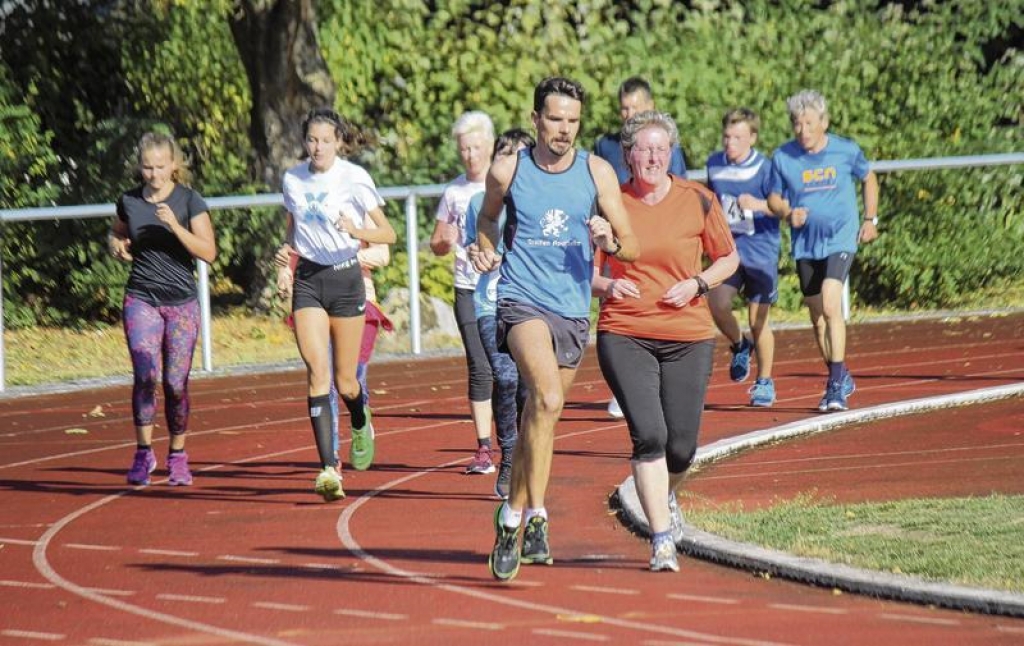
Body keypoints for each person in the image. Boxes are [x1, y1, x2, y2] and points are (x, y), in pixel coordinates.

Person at [472, 77, 639, 582]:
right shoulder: (508, 169)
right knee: (545, 398)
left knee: (540, 419)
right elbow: (487, 219)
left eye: (572, 121)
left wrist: (610, 239)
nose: (564, 129)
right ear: (535, 119)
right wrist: (486, 247)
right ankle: (529, 518)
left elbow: (631, 245)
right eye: (555, 119)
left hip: (571, 309)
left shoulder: (596, 172)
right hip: (521, 299)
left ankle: (514, 515)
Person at [593, 110, 739, 572]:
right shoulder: (610, 204)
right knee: (650, 435)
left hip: (688, 335)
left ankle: (666, 494)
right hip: (626, 330)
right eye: (644, 150)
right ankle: (660, 541)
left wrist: (698, 283)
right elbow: (582, 272)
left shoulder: (698, 199)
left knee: (681, 448)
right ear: (628, 156)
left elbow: (728, 258)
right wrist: (607, 285)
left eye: (661, 149)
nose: (653, 158)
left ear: (671, 153)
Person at [276, 107, 396, 502]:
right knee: (317, 373)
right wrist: (285, 266)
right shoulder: (293, 179)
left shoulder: (354, 178)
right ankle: (329, 468)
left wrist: (355, 229)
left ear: (339, 142)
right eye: (312, 140)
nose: (318, 147)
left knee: (346, 381)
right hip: (309, 280)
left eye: (326, 140)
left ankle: (360, 419)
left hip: (346, 278)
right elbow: (292, 230)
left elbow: (389, 233)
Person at [109, 131, 217, 487]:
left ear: (174, 165)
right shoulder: (129, 200)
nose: (153, 174)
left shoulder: (189, 200)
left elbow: (208, 252)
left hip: (181, 302)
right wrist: (117, 245)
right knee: (144, 374)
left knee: (174, 383)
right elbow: (117, 232)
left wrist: (174, 226)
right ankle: (143, 453)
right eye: (147, 167)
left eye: (159, 167)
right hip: (141, 297)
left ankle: (177, 455)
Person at [767, 90, 879, 412]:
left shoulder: (846, 150)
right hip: (806, 244)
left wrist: (870, 219)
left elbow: (869, 178)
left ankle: (834, 387)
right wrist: (788, 213)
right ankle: (840, 372)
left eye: (809, 123)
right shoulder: (783, 157)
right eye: (797, 123)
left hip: (840, 238)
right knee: (817, 318)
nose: (802, 130)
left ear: (824, 122)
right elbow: (774, 199)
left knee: (831, 304)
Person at [593, 75, 686, 419]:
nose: (628, 114)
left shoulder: (666, 146)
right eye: (623, 108)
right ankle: (624, 387)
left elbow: (678, 189)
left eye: (635, 107)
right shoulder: (605, 146)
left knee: (655, 305)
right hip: (616, 241)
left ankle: (659, 377)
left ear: (650, 106)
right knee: (616, 302)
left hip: (657, 238)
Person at [276, 213, 393, 464]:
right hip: (313, 295)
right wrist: (284, 272)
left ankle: (360, 419)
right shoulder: (303, 203)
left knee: (349, 379)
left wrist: (343, 260)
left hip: (357, 297)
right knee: (321, 377)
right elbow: (291, 246)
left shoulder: (357, 203)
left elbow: (383, 254)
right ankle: (332, 459)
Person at [464, 128, 535, 500]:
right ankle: (508, 455)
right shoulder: (479, 202)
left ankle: (525, 450)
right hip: (491, 302)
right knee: (505, 377)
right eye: (505, 156)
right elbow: (474, 248)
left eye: (520, 157)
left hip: (534, 304)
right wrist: (479, 255)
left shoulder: (541, 202)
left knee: (526, 386)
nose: (512, 165)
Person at [431, 111, 499, 476]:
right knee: (480, 365)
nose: (469, 155)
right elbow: (437, 243)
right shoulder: (453, 192)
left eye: (475, 147)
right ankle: (484, 447)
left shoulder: (504, 184)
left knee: (509, 366)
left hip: (505, 287)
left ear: (490, 145)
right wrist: (445, 241)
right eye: (463, 149)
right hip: (468, 288)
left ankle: (517, 438)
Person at [705, 108, 780, 407]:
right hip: (730, 251)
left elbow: (783, 208)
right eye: (727, 136)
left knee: (757, 319)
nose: (730, 143)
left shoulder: (766, 168)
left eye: (738, 137)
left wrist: (759, 205)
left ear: (753, 138)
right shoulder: (714, 164)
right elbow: (711, 202)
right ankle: (740, 344)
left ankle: (765, 381)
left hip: (761, 252)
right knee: (717, 303)